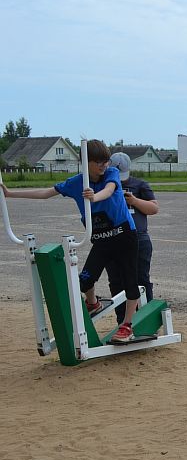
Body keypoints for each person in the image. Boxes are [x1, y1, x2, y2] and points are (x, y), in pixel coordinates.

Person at [1, 140, 139, 343]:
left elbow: (109, 190)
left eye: (105, 161)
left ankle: (127, 326)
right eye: (98, 162)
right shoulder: (76, 183)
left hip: (124, 236)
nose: (104, 165)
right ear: (86, 162)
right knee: (85, 280)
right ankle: (93, 303)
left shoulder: (111, 174)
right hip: (101, 240)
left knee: (130, 282)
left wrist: (94, 197)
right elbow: (46, 193)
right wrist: (10, 194)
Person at [107, 153, 159, 322]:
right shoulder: (104, 186)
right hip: (112, 239)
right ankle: (123, 321)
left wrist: (134, 201)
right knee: (117, 281)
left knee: (141, 279)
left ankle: (147, 320)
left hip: (138, 238)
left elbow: (153, 208)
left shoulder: (140, 185)